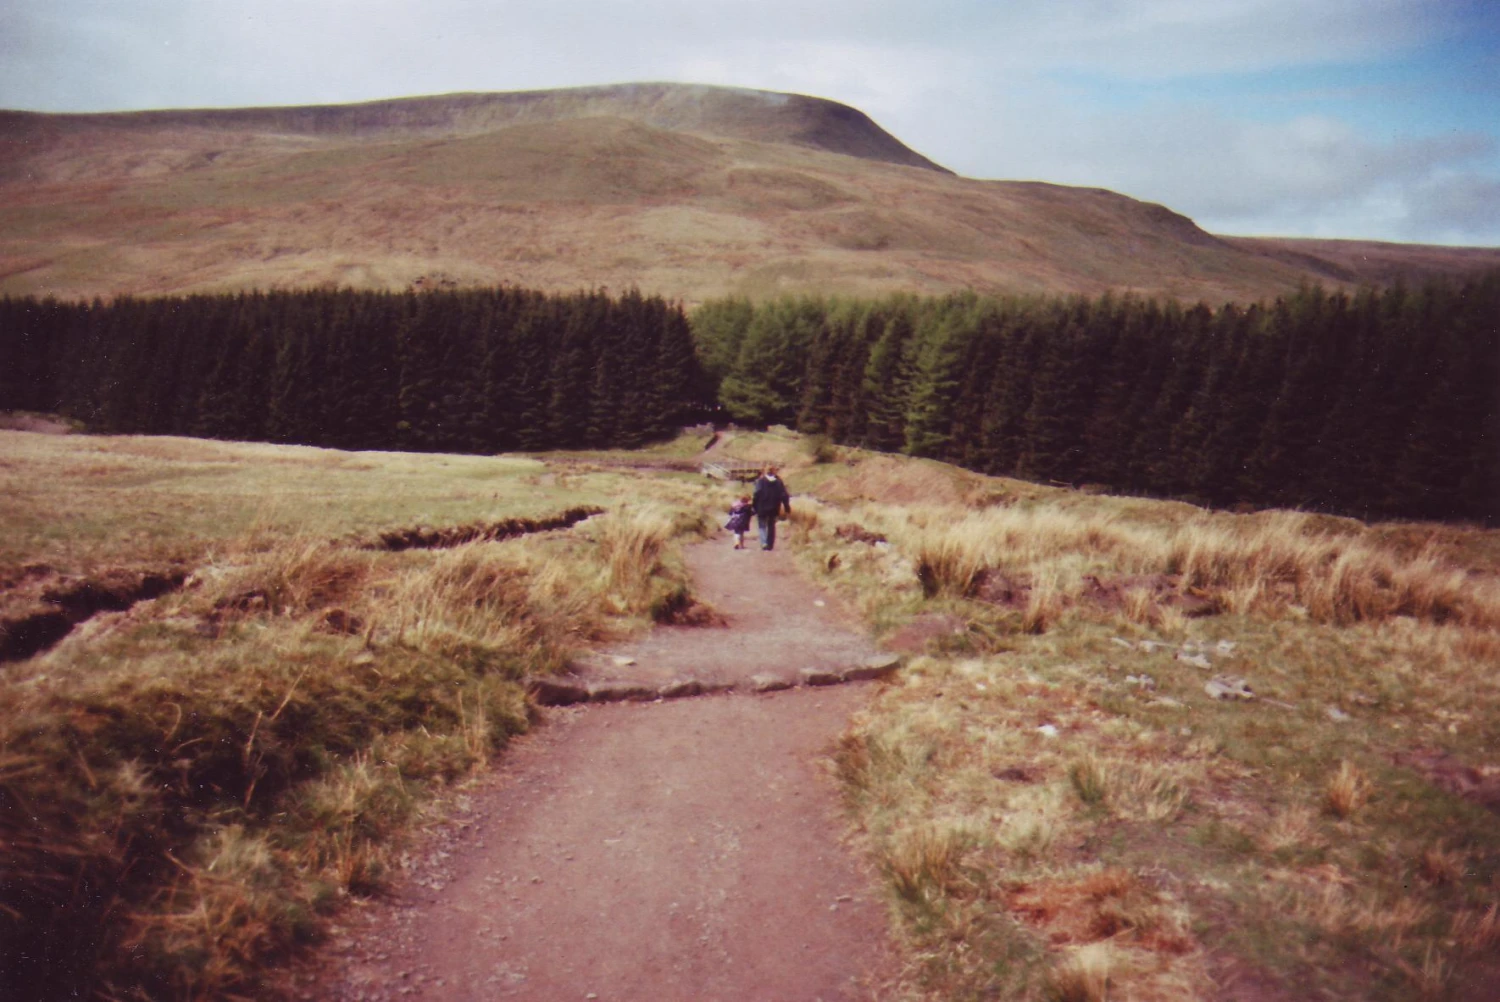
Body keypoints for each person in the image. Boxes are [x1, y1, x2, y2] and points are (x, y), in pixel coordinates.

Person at [751, 465, 791, 551]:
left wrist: (753, 506)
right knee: (771, 526)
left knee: (762, 525)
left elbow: (756, 494)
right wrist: (787, 507)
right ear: (774, 472)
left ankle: (764, 542)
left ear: (765, 471)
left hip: (761, 507)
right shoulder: (779, 482)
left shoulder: (760, 481)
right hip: (774, 507)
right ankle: (770, 544)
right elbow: (784, 495)